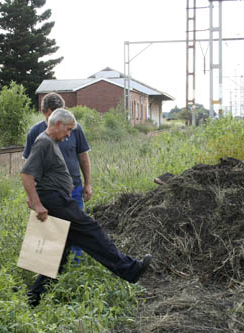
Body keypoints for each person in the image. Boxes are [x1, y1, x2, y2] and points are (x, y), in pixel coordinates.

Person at [21, 108, 152, 306]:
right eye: (68, 129)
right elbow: (26, 174)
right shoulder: (43, 142)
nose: (68, 135)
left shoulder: (50, 142)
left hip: (56, 199)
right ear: (57, 124)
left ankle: (33, 300)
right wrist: (37, 203)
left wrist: (36, 199)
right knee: (91, 230)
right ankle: (130, 269)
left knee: (57, 255)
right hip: (55, 201)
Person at [23, 92, 91, 263]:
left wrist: (87, 184)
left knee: (76, 229)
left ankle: (74, 265)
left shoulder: (74, 128)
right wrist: (31, 197)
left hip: (73, 188)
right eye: (51, 113)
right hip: (49, 192)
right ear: (46, 112)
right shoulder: (36, 133)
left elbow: (83, 155)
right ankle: (47, 270)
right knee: (49, 232)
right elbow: (28, 167)